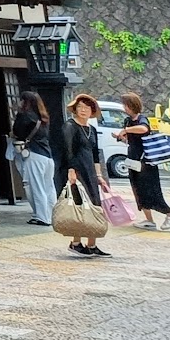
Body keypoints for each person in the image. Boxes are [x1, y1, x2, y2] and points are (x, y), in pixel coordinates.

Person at [117, 91, 170, 231]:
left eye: (126, 105)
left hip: (146, 162)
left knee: (151, 191)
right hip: (134, 161)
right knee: (139, 191)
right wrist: (123, 136)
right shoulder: (128, 121)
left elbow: (144, 129)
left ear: (132, 105)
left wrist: (126, 130)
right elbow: (132, 141)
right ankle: (149, 220)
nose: (124, 107)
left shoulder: (141, 119)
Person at [62, 93, 111, 258]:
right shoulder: (70, 126)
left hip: (90, 171)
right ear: (75, 109)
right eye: (80, 107)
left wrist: (99, 175)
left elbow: (95, 154)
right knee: (80, 206)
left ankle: (92, 244)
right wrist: (71, 170)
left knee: (95, 206)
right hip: (77, 171)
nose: (83, 110)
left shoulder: (92, 130)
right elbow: (68, 151)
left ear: (92, 111)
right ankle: (76, 242)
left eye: (87, 108)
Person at [10, 90, 57, 225]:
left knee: (36, 187)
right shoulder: (43, 118)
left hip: (33, 154)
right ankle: (52, 215)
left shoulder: (25, 116)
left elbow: (17, 132)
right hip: (47, 155)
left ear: (25, 102)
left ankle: (42, 216)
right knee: (49, 187)